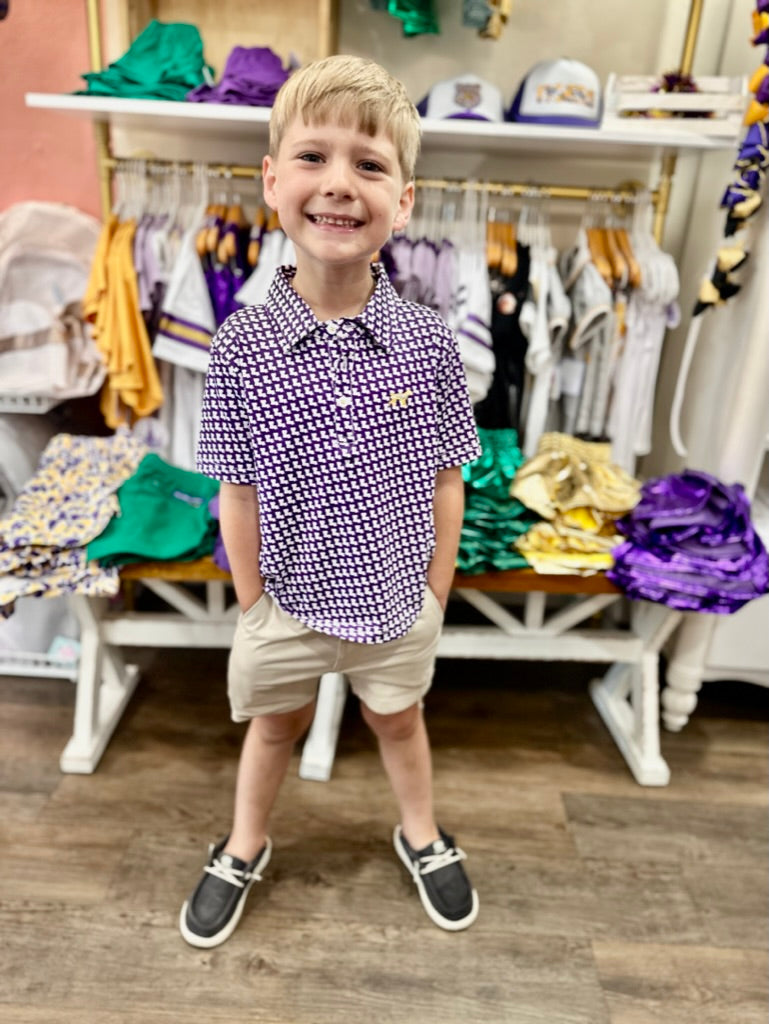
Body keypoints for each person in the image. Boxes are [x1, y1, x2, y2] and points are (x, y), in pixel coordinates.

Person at [180, 54, 482, 949]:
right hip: (283, 603)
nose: (340, 183)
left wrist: (434, 592)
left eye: (369, 164)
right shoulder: (241, 345)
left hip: (395, 602)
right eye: (313, 156)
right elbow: (236, 487)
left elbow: (448, 477)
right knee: (275, 726)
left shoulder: (429, 342)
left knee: (398, 719)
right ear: (272, 179)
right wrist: (251, 603)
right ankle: (244, 842)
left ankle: (420, 831)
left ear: (404, 200)